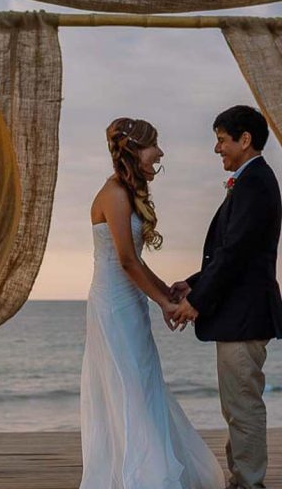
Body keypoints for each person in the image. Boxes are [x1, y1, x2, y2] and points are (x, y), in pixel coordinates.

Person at [80, 117, 226, 489]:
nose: (159, 153)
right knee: (127, 385)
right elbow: (126, 261)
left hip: (129, 302)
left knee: (142, 382)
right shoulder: (113, 194)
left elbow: (138, 263)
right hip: (113, 306)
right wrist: (164, 302)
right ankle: (140, 475)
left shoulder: (126, 193)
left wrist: (170, 294)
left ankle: (149, 466)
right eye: (153, 146)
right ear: (133, 150)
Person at [171, 105, 282, 489]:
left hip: (244, 315)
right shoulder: (251, 179)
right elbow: (231, 251)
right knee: (236, 404)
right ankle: (242, 478)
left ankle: (250, 482)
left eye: (222, 140)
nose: (217, 148)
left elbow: (235, 253)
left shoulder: (255, 182)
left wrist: (197, 301)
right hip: (241, 313)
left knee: (242, 405)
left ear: (245, 140)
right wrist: (193, 283)